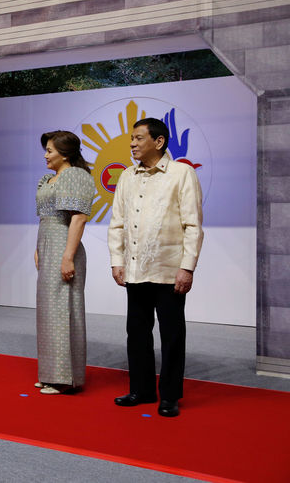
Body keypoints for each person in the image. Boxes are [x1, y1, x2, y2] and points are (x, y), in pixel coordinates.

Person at [108, 117, 203, 417]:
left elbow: (193, 225)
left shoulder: (181, 173)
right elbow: (117, 224)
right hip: (135, 270)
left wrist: (186, 268)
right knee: (136, 333)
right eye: (132, 139)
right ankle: (142, 390)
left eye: (138, 138)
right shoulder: (126, 176)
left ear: (159, 141)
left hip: (168, 270)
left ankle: (170, 396)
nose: (133, 144)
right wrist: (117, 261)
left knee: (172, 335)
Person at [34, 130, 95, 394]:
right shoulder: (48, 178)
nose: (46, 155)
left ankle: (65, 378)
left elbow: (78, 218)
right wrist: (38, 248)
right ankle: (50, 373)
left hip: (63, 245)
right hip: (48, 245)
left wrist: (68, 256)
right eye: (46, 150)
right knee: (48, 310)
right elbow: (44, 217)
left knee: (63, 310)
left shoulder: (75, 175)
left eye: (50, 150)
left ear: (65, 153)